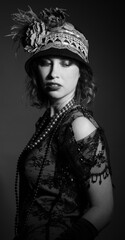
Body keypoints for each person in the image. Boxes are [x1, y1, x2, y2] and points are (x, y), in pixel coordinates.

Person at [8, 6, 114, 240]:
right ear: (36, 71)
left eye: (66, 63)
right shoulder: (49, 121)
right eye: (46, 62)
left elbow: (104, 209)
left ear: (80, 73)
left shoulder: (79, 125)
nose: (54, 72)